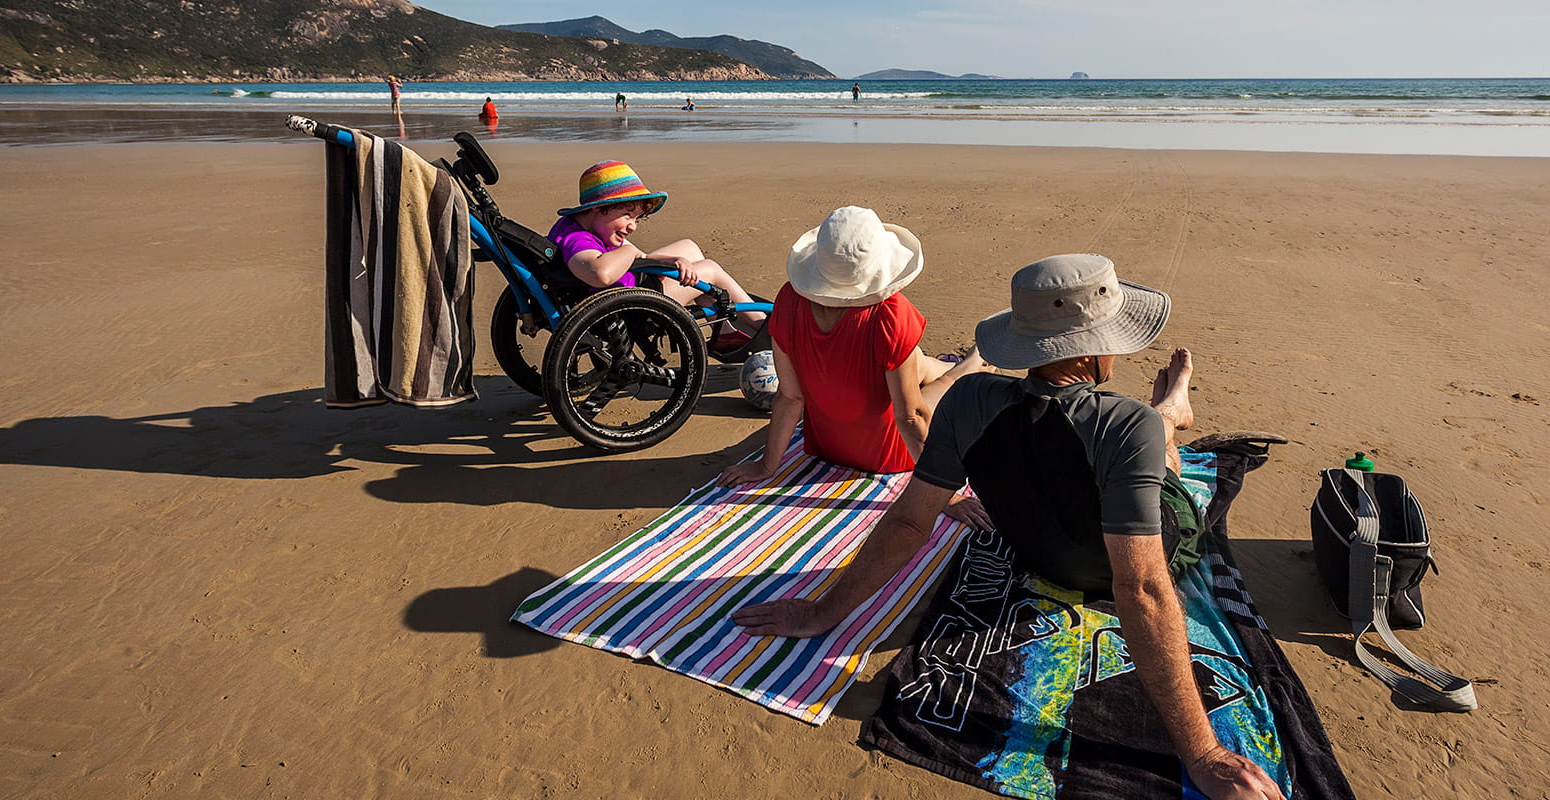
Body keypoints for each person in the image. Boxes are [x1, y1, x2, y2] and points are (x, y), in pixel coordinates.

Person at [732, 254, 1284, 800]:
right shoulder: (1124, 423)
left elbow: (907, 520)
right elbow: (1139, 586)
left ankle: (1170, 411)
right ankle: (1172, 410)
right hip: (1147, 538)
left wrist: (823, 612)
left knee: (1139, 444)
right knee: (1161, 457)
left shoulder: (969, 400)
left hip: (1038, 555)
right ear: (1093, 349)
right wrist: (1204, 753)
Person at [718, 207, 991, 527]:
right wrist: (947, 495)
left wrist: (767, 466)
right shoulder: (890, 313)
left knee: (914, 362)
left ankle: (939, 363)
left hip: (828, 444)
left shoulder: (789, 300)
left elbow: (790, 398)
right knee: (944, 382)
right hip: (888, 455)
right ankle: (978, 359)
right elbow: (909, 417)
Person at [546, 161, 766, 348]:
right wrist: (629, 250)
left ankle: (724, 329)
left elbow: (638, 258)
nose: (632, 226)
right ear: (597, 208)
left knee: (687, 248)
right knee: (710, 269)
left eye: (637, 219)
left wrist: (670, 261)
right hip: (632, 304)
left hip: (630, 285)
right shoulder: (577, 239)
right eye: (626, 215)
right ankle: (761, 325)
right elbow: (600, 274)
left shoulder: (582, 227)